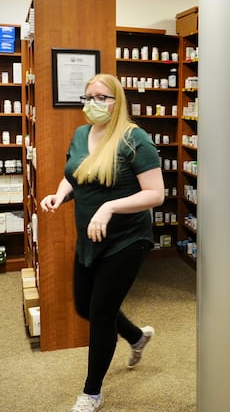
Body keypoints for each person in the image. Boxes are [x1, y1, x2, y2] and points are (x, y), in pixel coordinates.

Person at [40, 73, 164, 412]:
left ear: (117, 101)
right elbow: (74, 174)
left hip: (126, 239)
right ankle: (137, 337)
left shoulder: (134, 139)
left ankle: (92, 393)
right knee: (85, 306)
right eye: (88, 97)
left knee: (101, 314)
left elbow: (156, 193)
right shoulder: (82, 134)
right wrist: (59, 194)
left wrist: (109, 207)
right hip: (90, 237)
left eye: (102, 97)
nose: (93, 104)